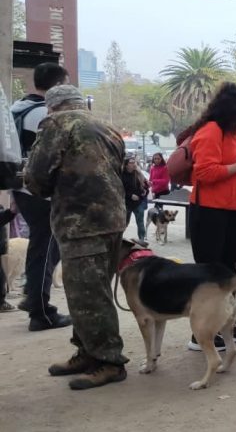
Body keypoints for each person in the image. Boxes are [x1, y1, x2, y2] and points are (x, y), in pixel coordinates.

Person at [24, 85, 130, 390]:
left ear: (52, 106)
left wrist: (42, 189)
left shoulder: (58, 124)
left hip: (80, 222)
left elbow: (37, 175)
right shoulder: (106, 127)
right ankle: (87, 351)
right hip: (112, 219)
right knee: (92, 292)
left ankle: (108, 361)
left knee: (87, 296)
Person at [177, 82, 236, 350]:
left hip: (234, 212)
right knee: (209, 276)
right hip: (210, 213)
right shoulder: (211, 131)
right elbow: (204, 173)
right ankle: (200, 335)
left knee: (227, 272)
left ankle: (226, 328)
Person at [10, 62, 71, 331]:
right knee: (46, 248)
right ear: (59, 85)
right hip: (41, 193)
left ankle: (33, 293)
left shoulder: (16, 109)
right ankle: (40, 311)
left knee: (44, 246)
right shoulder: (44, 114)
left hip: (20, 188)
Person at [121, 157, 149, 242]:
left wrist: (144, 193)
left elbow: (146, 187)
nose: (133, 164)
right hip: (127, 203)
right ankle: (119, 239)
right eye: (131, 163)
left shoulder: (138, 174)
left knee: (140, 222)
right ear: (126, 165)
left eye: (134, 162)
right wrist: (130, 195)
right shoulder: (122, 175)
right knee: (124, 223)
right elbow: (120, 190)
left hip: (138, 202)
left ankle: (142, 240)